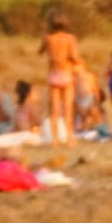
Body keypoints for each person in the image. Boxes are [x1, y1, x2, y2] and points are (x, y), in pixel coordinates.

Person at [40, 12, 82, 146]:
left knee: (54, 109)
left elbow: (40, 51)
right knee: (68, 108)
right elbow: (74, 56)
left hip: (53, 73)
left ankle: (55, 140)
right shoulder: (70, 38)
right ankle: (69, 138)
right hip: (66, 73)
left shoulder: (48, 38)